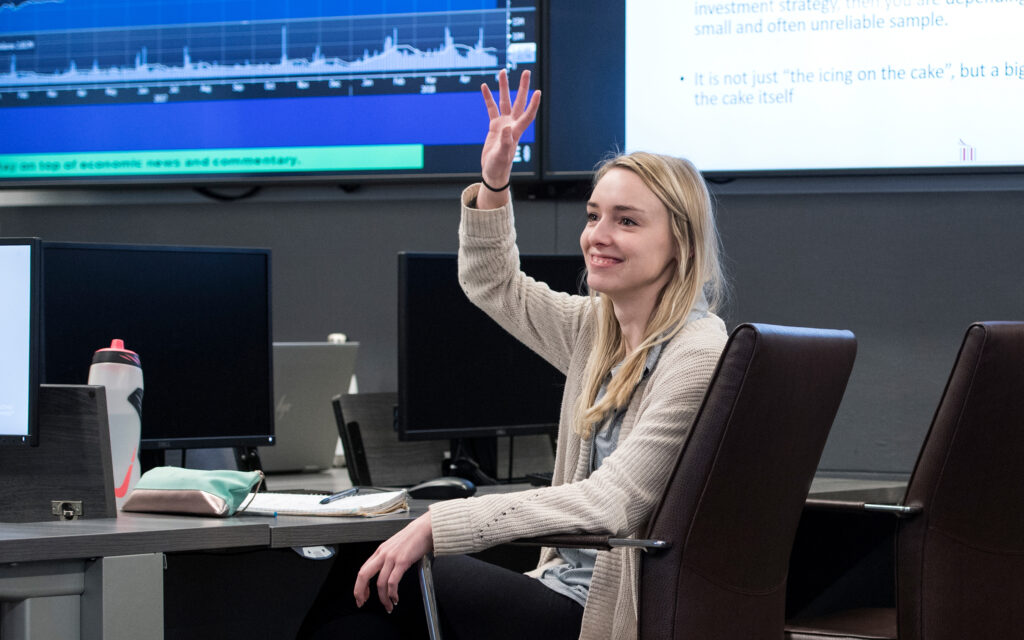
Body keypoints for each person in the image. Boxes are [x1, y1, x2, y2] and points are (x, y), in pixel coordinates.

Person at [302, 69, 729, 640]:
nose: (598, 234)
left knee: (377, 574)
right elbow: (493, 283)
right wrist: (495, 182)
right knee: (364, 604)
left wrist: (438, 524)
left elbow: (614, 504)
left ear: (680, 242)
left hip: (607, 613)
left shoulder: (698, 349)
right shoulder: (596, 330)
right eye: (593, 214)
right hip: (557, 588)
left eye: (626, 221)